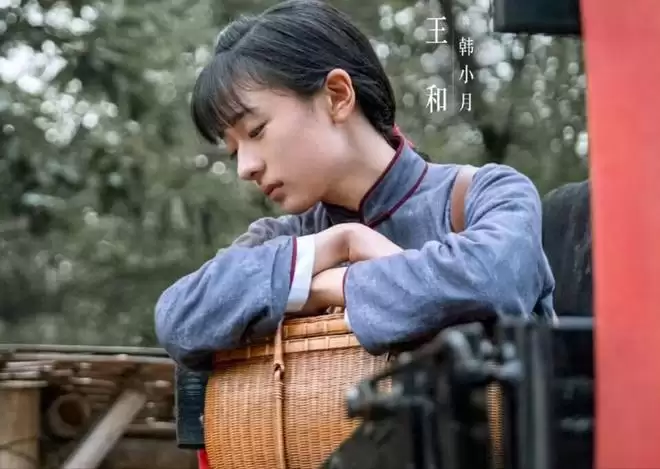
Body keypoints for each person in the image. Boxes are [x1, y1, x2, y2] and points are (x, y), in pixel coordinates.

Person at [154, 0, 556, 467]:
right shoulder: (292, 237)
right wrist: (340, 242)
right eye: (233, 151)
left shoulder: (487, 195)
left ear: (337, 95)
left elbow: (493, 279)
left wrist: (332, 285)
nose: (246, 167)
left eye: (256, 130)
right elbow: (179, 318)